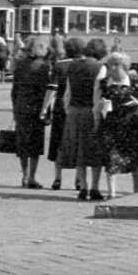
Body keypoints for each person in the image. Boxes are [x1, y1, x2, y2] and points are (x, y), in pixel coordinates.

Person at [93, 51, 138, 199]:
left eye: (116, 64)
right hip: (111, 125)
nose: (112, 67)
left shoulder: (135, 79)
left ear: (124, 66)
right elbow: (97, 103)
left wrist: (137, 103)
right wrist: (99, 113)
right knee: (111, 159)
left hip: (131, 124)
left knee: (135, 158)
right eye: (110, 64)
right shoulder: (104, 82)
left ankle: (136, 188)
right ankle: (111, 193)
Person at [59, 38, 108, 200]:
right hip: (90, 112)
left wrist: (69, 111)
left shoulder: (72, 66)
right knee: (95, 151)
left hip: (74, 111)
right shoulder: (100, 68)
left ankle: (83, 187)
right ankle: (94, 187)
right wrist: (97, 116)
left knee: (79, 150)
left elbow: (67, 93)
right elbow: (97, 94)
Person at [10, 35, 55, 189]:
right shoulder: (44, 67)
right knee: (35, 144)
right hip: (36, 108)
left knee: (22, 143)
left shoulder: (20, 65)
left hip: (21, 107)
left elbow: (14, 90)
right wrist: (46, 111)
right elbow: (45, 91)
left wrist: (15, 108)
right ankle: (32, 177)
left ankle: (24, 175)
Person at [48, 36, 85, 191]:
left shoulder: (59, 65)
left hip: (59, 108)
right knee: (76, 142)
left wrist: (45, 108)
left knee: (58, 142)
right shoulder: (82, 65)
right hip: (76, 106)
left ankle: (57, 178)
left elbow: (52, 88)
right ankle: (78, 179)